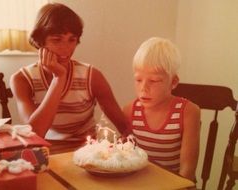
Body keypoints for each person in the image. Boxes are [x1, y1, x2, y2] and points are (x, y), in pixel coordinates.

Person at [10, 3, 127, 153]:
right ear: (40, 41)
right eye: (56, 40)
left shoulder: (92, 76)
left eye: (71, 40)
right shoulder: (22, 79)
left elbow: (124, 127)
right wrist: (59, 78)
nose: (66, 49)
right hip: (46, 153)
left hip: (87, 152)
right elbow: (35, 133)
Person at [123, 37, 200, 181]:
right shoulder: (129, 111)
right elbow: (122, 158)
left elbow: (187, 169)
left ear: (173, 82)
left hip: (174, 185)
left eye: (154, 81)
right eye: (138, 80)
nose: (143, 88)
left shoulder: (187, 112)